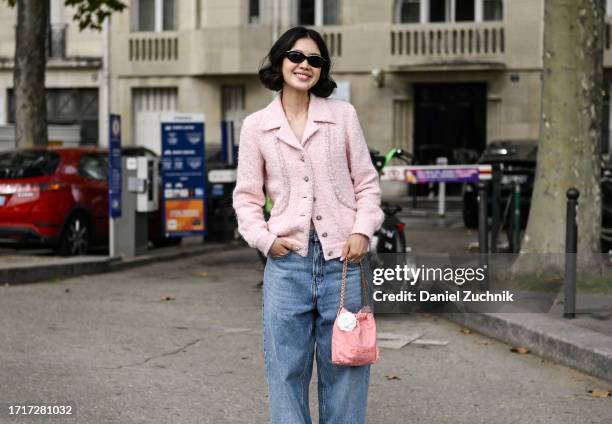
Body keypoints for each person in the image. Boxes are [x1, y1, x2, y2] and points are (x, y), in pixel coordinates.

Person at [232, 26, 385, 424]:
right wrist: (266, 241)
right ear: (280, 61)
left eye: (314, 60)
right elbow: (246, 198)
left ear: (322, 69)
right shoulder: (256, 127)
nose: (305, 66)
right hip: (287, 264)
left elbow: (367, 184)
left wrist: (361, 231)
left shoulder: (342, 116)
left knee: (346, 370)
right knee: (286, 372)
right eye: (296, 57)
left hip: (345, 263)